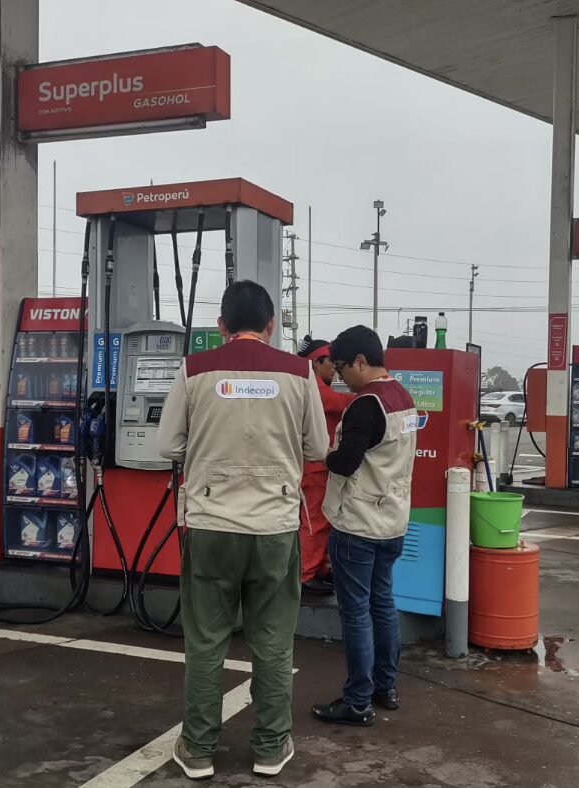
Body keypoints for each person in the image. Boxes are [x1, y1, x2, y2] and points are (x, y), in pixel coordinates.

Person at [157, 281, 327, 780]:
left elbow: (168, 445)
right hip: (275, 527)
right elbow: (317, 447)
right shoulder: (299, 372)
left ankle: (197, 749)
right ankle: (271, 747)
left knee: (206, 641)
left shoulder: (193, 369)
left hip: (210, 524)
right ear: (271, 324)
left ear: (221, 326)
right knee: (273, 642)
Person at [312, 325, 417, 727]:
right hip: (392, 522)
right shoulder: (402, 397)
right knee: (383, 605)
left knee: (356, 613)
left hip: (358, 524)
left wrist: (320, 452)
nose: (340, 377)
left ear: (360, 361)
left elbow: (345, 462)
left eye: (341, 368)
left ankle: (357, 702)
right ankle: (384, 688)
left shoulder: (365, 404)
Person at [297, 335, 354, 594]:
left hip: (319, 466)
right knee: (315, 522)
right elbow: (340, 403)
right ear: (315, 362)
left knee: (322, 521)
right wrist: (374, 393)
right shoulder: (314, 388)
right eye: (330, 361)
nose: (335, 367)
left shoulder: (311, 384)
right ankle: (306, 574)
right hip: (314, 467)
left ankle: (318, 569)